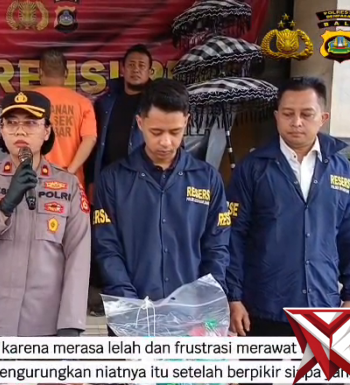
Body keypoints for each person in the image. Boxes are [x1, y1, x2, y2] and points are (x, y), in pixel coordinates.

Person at [226, 77, 350, 385]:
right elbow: (234, 236)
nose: (296, 122)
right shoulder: (253, 168)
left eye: (306, 114)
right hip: (261, 306)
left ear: (323, 117)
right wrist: (233, 297)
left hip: (321, 306)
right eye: (288, 113)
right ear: (276, 116)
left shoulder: (341, 170)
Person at [0, 91, 91, 337]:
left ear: (46, 131)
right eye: (12, 123)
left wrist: (72, 321)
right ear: (2, 130)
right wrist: (3, 207)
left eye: (31, 123)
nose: (20, 131)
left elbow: (78, 257)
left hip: (44, 323)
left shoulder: (67, 185)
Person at [92, 78, 230, 324]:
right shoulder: (113, 179)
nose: (166, 142)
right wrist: (131, 305)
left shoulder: (207, 179)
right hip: (130, 314)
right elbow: (107, 248)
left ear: (186, 122)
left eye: (175, 132)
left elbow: (216, 248)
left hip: (192, 316)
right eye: (156, 132)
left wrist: (204, 301)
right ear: (140, 123)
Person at [85, 44, 152, 196]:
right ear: (122, 69)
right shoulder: (105, 102)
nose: (136, 70)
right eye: (131, 65)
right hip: (107, 180)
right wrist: (92, 179)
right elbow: (94, 144)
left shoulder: (155, 102)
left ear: (149, 71)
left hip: (143, 182)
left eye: (141, 65)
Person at [36, 48, 97, 187]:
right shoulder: (83, 103)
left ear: (40, 72)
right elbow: (90, 139)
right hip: (72, 181)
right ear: (66, 73)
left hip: (36, 178)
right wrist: (70, 172)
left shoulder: (29, 100)